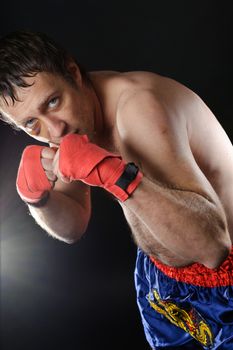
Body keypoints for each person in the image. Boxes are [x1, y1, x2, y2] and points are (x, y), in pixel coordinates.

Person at [0, 31, 233, 350]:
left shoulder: (140, 108)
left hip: (226, 284)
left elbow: (211, 248)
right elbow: (73, 225)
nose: (54, 130)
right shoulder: (75, 121)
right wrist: (38, 199)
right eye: (31, 124)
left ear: (73, 72)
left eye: (53, 101)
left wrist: (114, 175)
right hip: (160, 280)